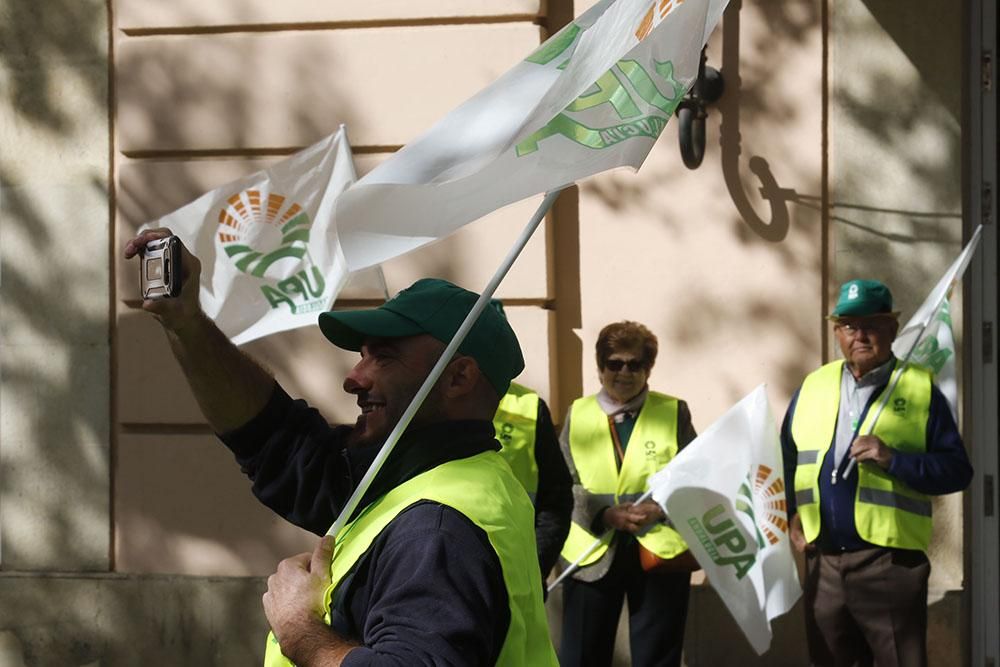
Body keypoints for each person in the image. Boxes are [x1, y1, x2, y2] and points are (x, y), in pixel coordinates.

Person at [124, 229, 559, 667]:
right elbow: (277, 441)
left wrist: (300, 630)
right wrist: (186, 321)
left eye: (384, 357)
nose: (354, 378)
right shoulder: (410, 474)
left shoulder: (437, 526)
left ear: (458, 378)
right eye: (362, 355)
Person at [781, 279, 973, 667]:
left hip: (889, 565)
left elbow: (956, 471)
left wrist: (894, 459)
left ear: (892, 328)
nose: (860, 335)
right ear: (837, 332)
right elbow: (786, 456)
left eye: (872, 324)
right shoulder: (812, 387)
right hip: (825, 562)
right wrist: (790, 515)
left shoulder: (920, 389)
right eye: (850, 326)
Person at [558, 321, 698, 667]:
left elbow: (693, 476)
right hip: (591, 552)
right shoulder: (578, 414)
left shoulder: (674, 412)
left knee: (658, 657)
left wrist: (658, 508)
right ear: (600, 367)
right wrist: (604, 513)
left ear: (648, 368)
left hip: (658, 550)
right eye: (614, 363)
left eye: (635, 364)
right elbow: (563, 483)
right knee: (582, 657)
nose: (624, 372)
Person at [489, 301, 572, 581]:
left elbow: (556, 497)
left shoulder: (530, 406)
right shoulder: (430, 404)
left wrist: (535, 564)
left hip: (517, 569)